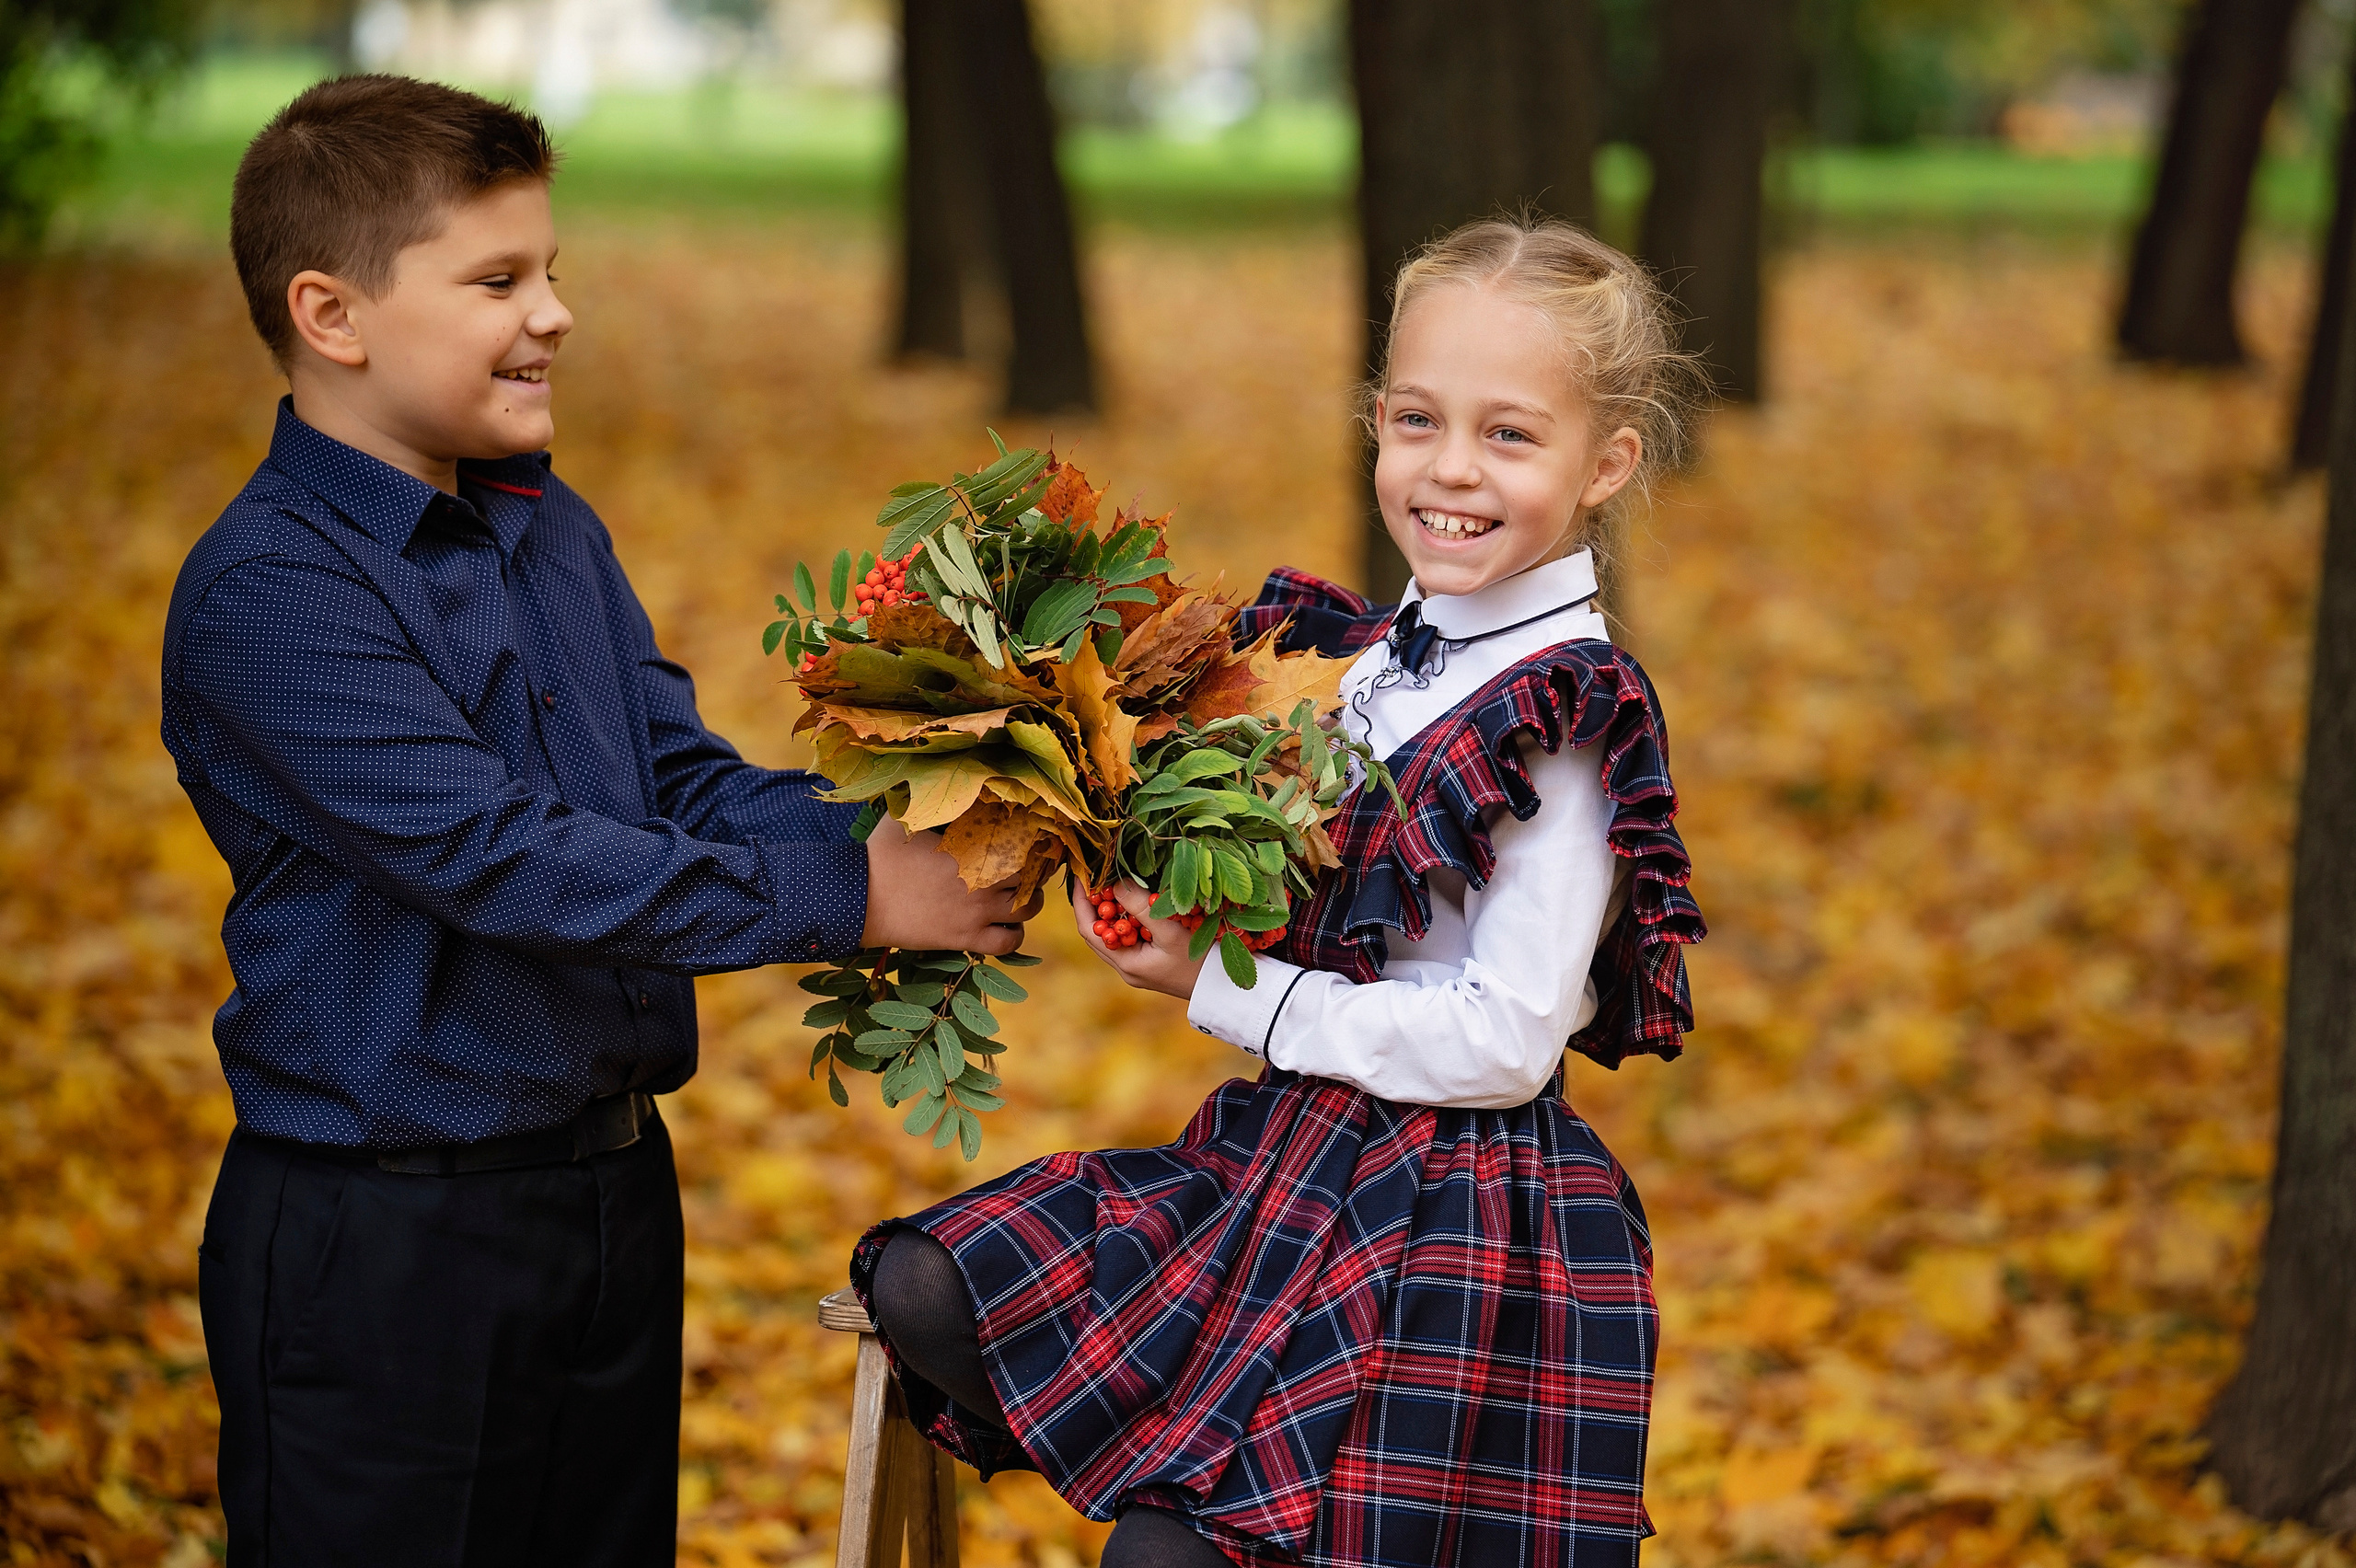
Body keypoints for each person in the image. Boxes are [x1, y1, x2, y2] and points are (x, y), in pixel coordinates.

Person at [161, 75, 1027, 1567]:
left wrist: (932, 826)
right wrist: (851, 899)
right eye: (497, 280)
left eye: (553, 270)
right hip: (386, 1245)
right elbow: (496, 856)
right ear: (332, 313)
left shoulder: (549, 528)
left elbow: (675, 781)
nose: (553, 312)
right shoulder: (269, 593)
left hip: (614, 1205)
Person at [853, 216, 1709, 1568]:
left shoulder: (1568, 711)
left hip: (1451, 1225)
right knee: (926, 1284)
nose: (1452, 471)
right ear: (1376, 420)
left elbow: (1503, 1039)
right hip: (1286, 1163)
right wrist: (1129, 861)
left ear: (1608, 463)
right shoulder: (1361, 662)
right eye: (1419, 421)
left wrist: (1224, 986)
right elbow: (1293, 893)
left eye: (1510, 436)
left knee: (1172, 1559)